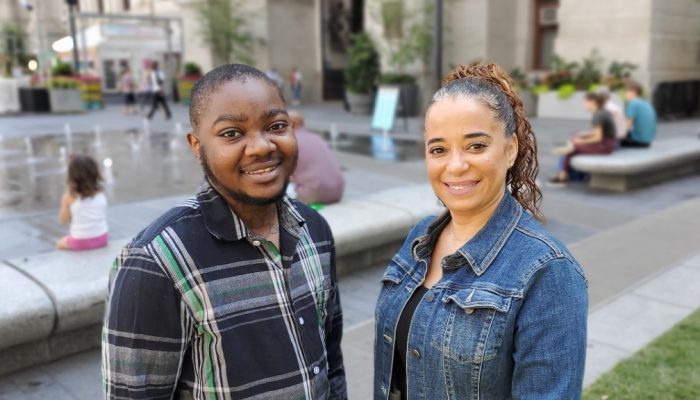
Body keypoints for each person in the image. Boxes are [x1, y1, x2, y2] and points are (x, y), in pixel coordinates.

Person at [102, 63, 347, 400]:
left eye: (276, 125)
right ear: (196, 145)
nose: (261, 147)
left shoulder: (315, 230)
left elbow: (330, 361)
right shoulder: (156, 262)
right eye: (232, 133)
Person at [373, 64, 588, 400]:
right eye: (439, 149)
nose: (455, 166)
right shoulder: (419, 239)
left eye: (475, 146)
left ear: (511, 148)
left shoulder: (548, 272)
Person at [548, 92, 617, 186]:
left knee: (571, 149)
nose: (583, 105)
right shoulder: (603, 112)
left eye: (585, 102)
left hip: (604, 146)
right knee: (575, 136)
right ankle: (568, 173)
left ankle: (562, 177)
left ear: (593, 102)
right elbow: (602, 133)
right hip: (607, 143)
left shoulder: (597, 116)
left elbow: (598, 138)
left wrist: (579, 141)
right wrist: (583, 134)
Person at [289, 111, 345, 204]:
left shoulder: (291, 141)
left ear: (290, 124)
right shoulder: (317, 137)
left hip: (312, 194)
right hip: (337, 191)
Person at [56, 155, 109, 251]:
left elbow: (63, 221)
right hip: (102, 238)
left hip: (79, 241)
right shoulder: (101, 193)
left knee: (59, 243)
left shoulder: (69, 196)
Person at [621, 79, 656, 147]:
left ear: (633, 92)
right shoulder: (646, 103)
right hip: (648, 140)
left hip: (638, 141)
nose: (625, 94)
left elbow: (629, 124)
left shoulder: (632, 103)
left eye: (626, 91)